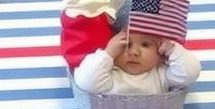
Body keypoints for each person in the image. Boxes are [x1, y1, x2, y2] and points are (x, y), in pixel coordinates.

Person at [73, 26, 201, 97]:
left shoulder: (160, 74)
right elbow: (86, 82)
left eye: (145, 45)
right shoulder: (109, 74)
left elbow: (189, 74)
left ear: (159, 53)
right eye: (125, 44)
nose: (134, 52)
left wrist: (172, 50)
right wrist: (108, 54)